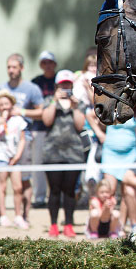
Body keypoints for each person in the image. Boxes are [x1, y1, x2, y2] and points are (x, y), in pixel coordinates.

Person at [0, 54, 44, 219]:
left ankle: (24, 216)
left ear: (21, 68)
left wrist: (22, 111)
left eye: (14, 67)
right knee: (3, 181)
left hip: (23, 137)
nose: (11, 70)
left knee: (24, 180)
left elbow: (42, 111)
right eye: (9, 67)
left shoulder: (31, 89)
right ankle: (4, 216)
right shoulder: (0, 89)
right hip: (3, 140)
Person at [41, 70, 87, 238]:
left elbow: (80, 125)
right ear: (57, 85)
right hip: (52, 153)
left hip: (73, 153)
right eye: (62, 84)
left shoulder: (79, 103)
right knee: (54, 190)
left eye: (68, 84)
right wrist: (55, 100)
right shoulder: (48, 101)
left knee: (69, 191)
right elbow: (47, 120)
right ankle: (53, 224)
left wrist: (74, 108)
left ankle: (68, 223)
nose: (65, 87)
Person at [0, 90, 29, 229]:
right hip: (1, 157)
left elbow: (23, 139)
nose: (4, 107)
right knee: (2, 186)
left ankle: (18, 216)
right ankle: (3, 216)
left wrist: (17, 156)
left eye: (6, 103)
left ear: (11, 104)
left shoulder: (18, 120)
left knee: (18, 187)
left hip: (15, 158)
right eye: (1, 104)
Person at [29, 50, 58, 208]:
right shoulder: (35, 83)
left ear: (54, 64)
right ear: (41, 65)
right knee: (38, 163)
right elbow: (34, 108)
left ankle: (55, 196)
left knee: (58, 163)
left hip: (58, 129)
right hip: (39, 129)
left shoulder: (61, 80)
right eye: (44, 62)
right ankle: (39, 197)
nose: (47, 65)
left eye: (50, 62)